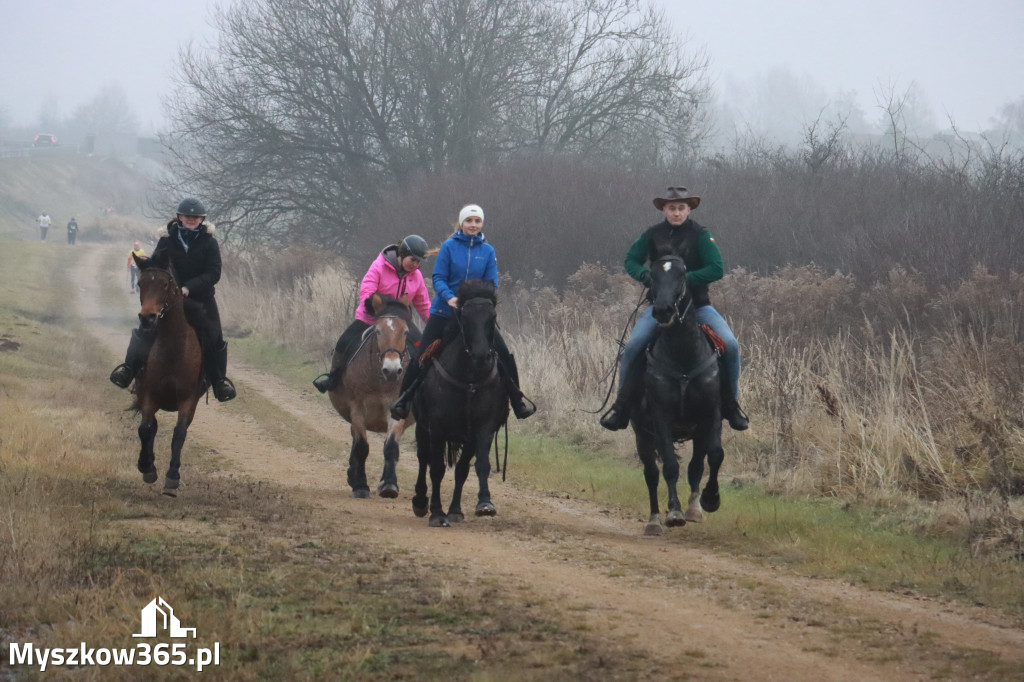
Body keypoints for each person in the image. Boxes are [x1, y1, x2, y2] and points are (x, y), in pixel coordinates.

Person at [600, 186, 748, 432]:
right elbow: (630, 260)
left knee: (731, 345)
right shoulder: (652, 235)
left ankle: (732, 405)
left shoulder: (701, 236)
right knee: (634, 346)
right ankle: (621, 407)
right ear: (664, 210)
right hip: (661, 309)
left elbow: (716, 268)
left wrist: (680, 280)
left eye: (681, 208)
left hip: (698, 307)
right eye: (671, 208)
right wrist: (646, 276)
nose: (676, 213)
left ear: (688, 209)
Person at [390, 204, 535, 420]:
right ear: (462, 223)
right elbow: (438, 278)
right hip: (445, 312)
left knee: (503, 353)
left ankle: (516, 401)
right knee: (422, 354)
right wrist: (450, 298)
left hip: (475, 318)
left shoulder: (488, 251)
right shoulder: (448, 247)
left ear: (482, 224)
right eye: (469, 221)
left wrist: (479, 304)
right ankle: (404, 399)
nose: (473, 225)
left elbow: (491, 284)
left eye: (477, 221)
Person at [109, 197, 237, 402]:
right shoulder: (167, 240)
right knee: (145, 329)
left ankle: (219, 382)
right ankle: (128, 369)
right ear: (179, 217)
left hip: (201, 299)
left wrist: (188, 287)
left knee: (215, 336)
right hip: (168, 300)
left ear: (202, 219)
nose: (192, 220)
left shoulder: (209, 243)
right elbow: (157, 266)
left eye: (196, 217)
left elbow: (214, 273)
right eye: (188, 216)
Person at [312, 235, 433, 393]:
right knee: (343, 342)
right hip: (371, 318)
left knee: (420, 346)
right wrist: (374, 306)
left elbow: (423, 304)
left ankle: (420, 387)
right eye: (413, 260)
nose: (415, 265)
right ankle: (333, 378)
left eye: (418, 262)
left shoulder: (416, 276)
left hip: (400, 322)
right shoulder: (379, 266)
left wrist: (433, 323)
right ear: (402, 254)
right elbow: (366, 290)